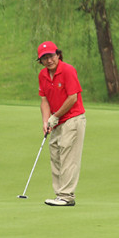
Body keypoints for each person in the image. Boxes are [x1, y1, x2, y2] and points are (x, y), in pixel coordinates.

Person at [36, 41, 86, 207]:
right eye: (44, 58)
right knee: (56, 155)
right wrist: (46, 121)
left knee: (68, 156)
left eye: (51, 56)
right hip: (56, 121)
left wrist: (55, 116)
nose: (49, 60)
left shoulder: (67, 70)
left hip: (73, 118)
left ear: (58, 54)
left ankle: (66, 196)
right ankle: (60, 195)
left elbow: (73, 98)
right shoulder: (42, 75)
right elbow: (44, 100)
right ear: (40, 61)